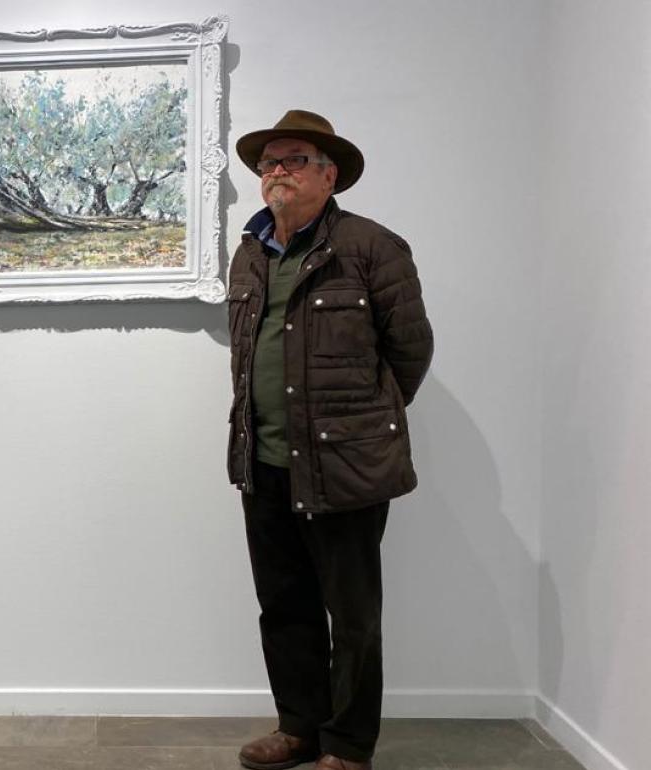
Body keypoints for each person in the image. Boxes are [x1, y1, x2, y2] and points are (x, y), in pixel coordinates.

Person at [227, 111, 433, 770]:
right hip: (263, 461)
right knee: (283, 607)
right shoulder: (250, 250)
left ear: (329, 172)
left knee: (352, 617)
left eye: (292, 158)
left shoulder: (371, 247)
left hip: (346, 466)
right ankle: (300, 728)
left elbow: (409, 352)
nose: (276, 171)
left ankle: (346, 746)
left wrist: (356, 426)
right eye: (268, 163)